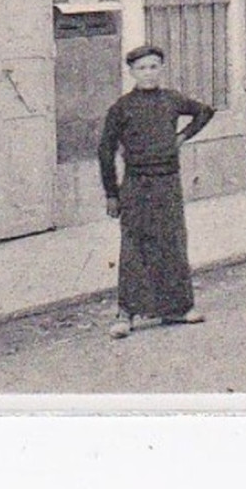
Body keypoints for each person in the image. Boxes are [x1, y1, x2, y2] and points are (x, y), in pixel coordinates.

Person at [98, 44, 216, 339]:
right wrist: (112, 193)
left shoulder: (171, 100)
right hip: (136, 184)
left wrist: (182, 137)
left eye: (153, 67)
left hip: (167, 182)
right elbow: (105, 151)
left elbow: (204, 112)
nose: (148, 73)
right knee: (134, 247)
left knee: (172, 242)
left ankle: (178, 308)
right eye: (141, 68)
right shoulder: (122, 108)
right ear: (131, 73)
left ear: (161, 69)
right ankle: (127, 313)